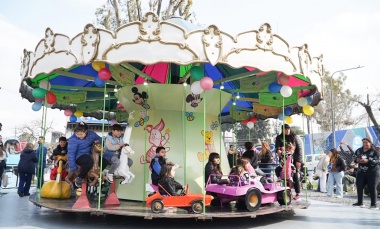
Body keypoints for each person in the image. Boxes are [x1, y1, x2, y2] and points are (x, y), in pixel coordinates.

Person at [67, 122, 102, 188]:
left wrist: (99, 142)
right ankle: (79, 178)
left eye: (81, 134)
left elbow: (100, 139)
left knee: (103, 161)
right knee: (89, 161)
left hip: (90, 154)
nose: (79, 136)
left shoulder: (91, 134)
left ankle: (96, 177)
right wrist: (73, 167)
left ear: (86, 131)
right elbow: (71, 154)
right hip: (79, 156)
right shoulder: (73, 140)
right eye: (77, 134)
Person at [275, 124, 303, 200]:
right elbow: (277, 148)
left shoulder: (294, 137)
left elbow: (300, 148)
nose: (287, 130)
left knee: (295, 175)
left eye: (288, 129)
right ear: (282, 130)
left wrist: (299, 160)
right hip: (284, 159)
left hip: (294, 159)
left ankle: (297, 193)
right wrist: (279, 151)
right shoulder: (279, 138)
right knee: (282, 174)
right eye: (286, 129)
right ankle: (286, 191)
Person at [352, 138, 380, 209]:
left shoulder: (374, 151)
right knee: (359, 186)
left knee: (372, 187)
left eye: (366, 142)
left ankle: (373, 204)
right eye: (363, 143)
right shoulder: (359, 150)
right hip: (361, 171)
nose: (365, 144)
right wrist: (356, 161)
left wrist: (368, 160)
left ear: (370, 143)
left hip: (372, 172)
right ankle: (360, 202)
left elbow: (377, 161)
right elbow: (354, 158)